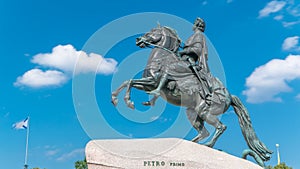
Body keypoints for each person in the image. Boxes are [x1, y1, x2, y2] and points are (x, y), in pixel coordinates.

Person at [148, 17, 212, 102]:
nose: (193, 25)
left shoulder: (198, 35)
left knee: (169, 67)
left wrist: (182, 52)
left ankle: (158, 90)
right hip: (184, 60)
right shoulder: (194, 35)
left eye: (194, 23)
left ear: (197, 25)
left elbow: (197, 49)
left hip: (189, 61)